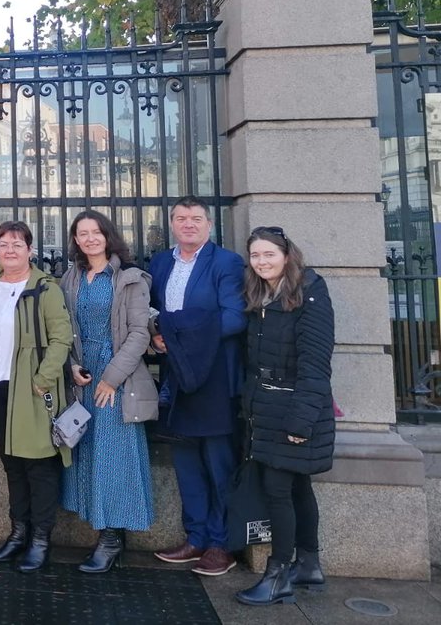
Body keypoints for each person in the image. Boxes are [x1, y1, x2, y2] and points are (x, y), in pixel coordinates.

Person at [235, 226, 335, 606]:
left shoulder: (310, 293)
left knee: (278, 491)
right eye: (255, 256)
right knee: (297, 487)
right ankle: (308, 565)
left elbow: (315, 366)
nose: (262, 262)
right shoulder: (261, 293)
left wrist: (300, 422)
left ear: (287, 255)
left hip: (294, 410)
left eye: (269, 254)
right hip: (267, 408)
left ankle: (277, 576)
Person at [148, 195, 246, 577]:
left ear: (209, 224)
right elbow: (154, 312)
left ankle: (222, 544)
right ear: (172, 223)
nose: (188, 224)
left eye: (196, 218)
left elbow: (234, 318)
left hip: (215, 377)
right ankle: (196, 537)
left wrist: (180, 338)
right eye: (181, 218)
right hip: (177, 376)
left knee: (220, 465)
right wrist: (156, 335)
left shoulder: (226, 262)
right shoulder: (161, 263)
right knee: (186, 463)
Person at [59, 210, 158, 574]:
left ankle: (112, 538)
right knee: (88, 451)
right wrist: (72, 366)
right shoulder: (70, 277)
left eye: (95, 232)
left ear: (108, 235)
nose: (90, 238)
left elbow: (139, 333)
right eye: (82, 233)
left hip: (117, 377)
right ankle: (101, 526)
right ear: (76, 240)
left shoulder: (129, 278)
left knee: (113, 454)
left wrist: (111, 378)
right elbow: (63, 327)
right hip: (82, 376)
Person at [0, 221, 73, 573]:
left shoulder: (45, 288)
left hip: (29, 389)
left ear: (30, 250)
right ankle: (18, 532)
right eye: (3, 244)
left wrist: (42, 380)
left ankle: (41, 539)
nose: (10, 250)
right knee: (12, 463)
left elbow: (61, 338)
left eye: (17, 244)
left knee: (38, 465)